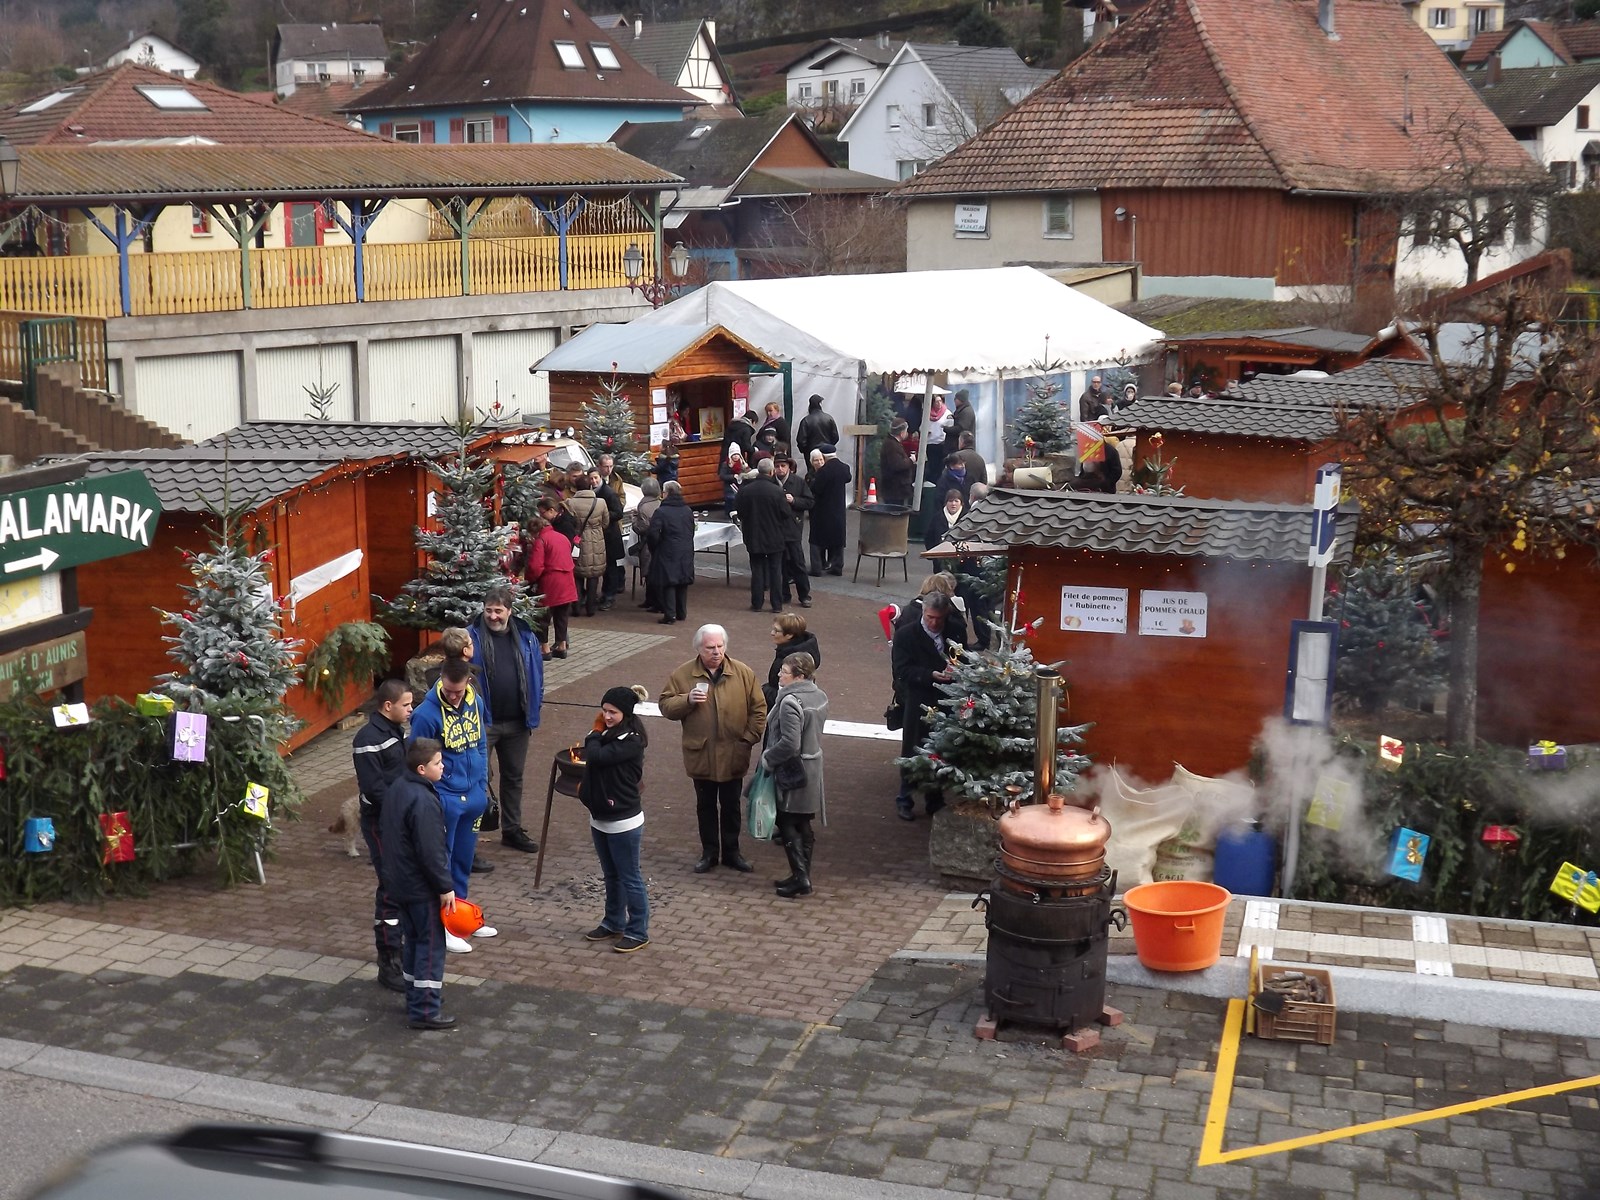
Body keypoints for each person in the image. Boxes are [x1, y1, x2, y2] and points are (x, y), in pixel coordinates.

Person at [658, 624, 767, 874]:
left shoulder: (743, 673)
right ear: (699, 648)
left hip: (733, 753)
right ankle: (709, 853)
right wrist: (686, 700)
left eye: (720, 646)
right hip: (702, 754)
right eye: (710, 648)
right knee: (705, 806)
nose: (716, 652)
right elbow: (665, 706)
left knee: (731, 807)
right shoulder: (683, 674)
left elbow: (759, 708)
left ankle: (732, 852)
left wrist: (748, 738)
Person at [408, 659, 494, 952]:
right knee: (441, 864)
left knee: (463, 861)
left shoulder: (476, 702)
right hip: (445, 797)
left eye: (459, 691)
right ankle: (442, 927)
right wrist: (435, 795)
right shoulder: (425, 714)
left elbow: (481, 743)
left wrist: (481, 784)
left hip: (473, 795)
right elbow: (417, 760)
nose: (454, 696)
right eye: (449, 690)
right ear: (441, 681)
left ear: (468, 682)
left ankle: (462, 918)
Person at [379, 737, 458, 1031]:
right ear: (423, 768)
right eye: (438, 763)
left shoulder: (398, 788)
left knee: (412, 940)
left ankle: (416, 996)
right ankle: (425, 1009)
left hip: (399, 882)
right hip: (420, 886)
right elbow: (430, 850)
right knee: (430, 944)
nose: (443, 766)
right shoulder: (423, 800)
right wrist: (444, 886)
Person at [469, 582, 544, 856]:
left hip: (517, 722)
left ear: (510, 612)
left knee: (514, 777)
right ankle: (470, 839)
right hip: (483, 722)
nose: (492, 616)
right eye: (488, 610)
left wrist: (535, 706)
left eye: (498, 611)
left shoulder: (526, 637)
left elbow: (537, 675)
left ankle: (512, 829)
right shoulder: (471, 637)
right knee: (477, 779)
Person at [578, 685, 651, 953]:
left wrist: (595, 732)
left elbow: (595, 755)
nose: (606, 716)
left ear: (626, 713)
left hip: (623, 821)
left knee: (630, 876)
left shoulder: (631, 741)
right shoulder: (610, 733)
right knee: (611, 875)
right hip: (600, 817)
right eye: (604, 711)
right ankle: (613, 921)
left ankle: (638, 930)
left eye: (613, 712)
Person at [351, 679, 413, 995]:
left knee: (399, 884)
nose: (411, 709)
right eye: (406, 704)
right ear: (388, 706)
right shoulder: (368, 739)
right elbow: (374, 789)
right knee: (390, 887)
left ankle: (400, 952)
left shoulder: (394, 732)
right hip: (381, 824)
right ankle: (388, 960)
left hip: (397, 821)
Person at [761, 652, 828, 899]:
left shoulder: (790, 702)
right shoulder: (819, 695)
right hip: (813, 767)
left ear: (799, 676)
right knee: (803, 822)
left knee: (788, 821)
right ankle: (802, 875)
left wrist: (768, 758)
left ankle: (801, 877)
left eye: (784, 672)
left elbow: (790, 743)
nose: (779, 675)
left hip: (794, 770)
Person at [890, 591, 956, 821]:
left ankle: (935, 799)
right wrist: (930, 674)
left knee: (940, 750)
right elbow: (902, 670)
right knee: (913, 749)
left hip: (947, 698)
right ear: (923, 613)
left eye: (939, 618)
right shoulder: (906, 635)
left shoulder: (953, 629)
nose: (935, 623)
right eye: (930, 617)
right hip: (918, 698)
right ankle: (905, 798)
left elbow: (962, 656)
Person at [525, 497, 576, 660]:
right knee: (562, 615)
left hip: (550, 583)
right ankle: (561, 646)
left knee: (543, 617)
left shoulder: (541, 540)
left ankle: (544, 648)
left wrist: (529, 580)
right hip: (567, 580)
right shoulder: (561, 537)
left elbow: (535, 567)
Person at [736, 459, 789, 614]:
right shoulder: (777, 491)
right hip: (774, 535)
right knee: (775, 570)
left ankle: (757, 603)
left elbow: (740, 512)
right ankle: (776, 604)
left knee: (757, 569)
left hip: (754, 535)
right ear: (772, 471)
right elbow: (785, 513)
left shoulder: (745, 490)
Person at [646, 480, 695, 625]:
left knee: (669, 582)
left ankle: (670, 614)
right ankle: (681, 612)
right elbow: (691, 529)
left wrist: (656, 547)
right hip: (685, 549)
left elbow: (653, 533)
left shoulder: (661, 511)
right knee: (682, 581)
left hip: (667, 550)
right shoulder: (687, 510)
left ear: (666, 493)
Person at [565, 471, 610, 617]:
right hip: (597, 541)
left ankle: (576, 607)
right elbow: (605, 522)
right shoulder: (600, 502)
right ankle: (591, 608)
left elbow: (568, 524)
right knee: (593, 576)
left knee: (577, 575)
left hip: (578, 541)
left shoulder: (570, 503)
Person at [774, 455, 813, 608]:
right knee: (780, 564)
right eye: (777, 466)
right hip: (776, 529)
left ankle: (804, 595)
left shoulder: (798, 482)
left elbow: (810, 502)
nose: (780, 469)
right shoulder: (771, 482)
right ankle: (784, 594)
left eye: (783, 466)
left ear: (789, 467)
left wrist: (795, 500)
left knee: (798, 563)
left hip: (793, 528)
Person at [808, 444, 851, 576]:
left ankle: (816, 567)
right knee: (838, 538)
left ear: (824, 457)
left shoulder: (823, 471)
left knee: (816, 539)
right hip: (838, 509)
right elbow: (848, 478)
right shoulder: (844, 468)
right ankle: (837, 566)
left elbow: (816, 489)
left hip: (822, 509)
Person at [764, 611, 821, 709]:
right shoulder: (797, 650)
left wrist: (763, 692)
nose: (772, 633)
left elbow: (786, 691)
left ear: (789, 635)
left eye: (776, 631)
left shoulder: (793, 659)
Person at [595, 455, 627, 611]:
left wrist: (603, 515)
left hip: (611, 532)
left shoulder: (613, 485)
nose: (608, 469)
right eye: (605, 466)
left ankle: (609, 595)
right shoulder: (594, 484)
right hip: (598, 534)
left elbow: (619, 507)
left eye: (610, 466)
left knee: (611, 566)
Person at [632, 476, 663, 612]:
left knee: (649, 571)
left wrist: (634, 520)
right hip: (659, 542)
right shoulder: (660, 503)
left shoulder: (643, 506)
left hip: (647, 543)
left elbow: (641, 527)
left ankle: (652, 601)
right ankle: (650, 600)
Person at [794, 394, 838, 467]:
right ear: (820, 404)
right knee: (827, 473)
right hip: (827, 452)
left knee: (813, 474)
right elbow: (835, 437)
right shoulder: (829, 418)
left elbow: (801, 440)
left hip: (811, 453)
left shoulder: (806, 420)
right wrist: (829, 446)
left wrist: (806, 451)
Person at [879, 420, 915, 507]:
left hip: (895, 488)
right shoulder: (892, 445)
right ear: (902, 433)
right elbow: (897, 465)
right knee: (895, 512)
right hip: (895, 489)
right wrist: (911, 460)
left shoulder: (892, 443)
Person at [719, 448, 749, 514]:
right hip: (729, 486)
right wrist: (732, 476)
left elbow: (747, 472)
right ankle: (729, 513)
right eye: (734, 454)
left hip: (740, 486)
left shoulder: (743, 464)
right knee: (730, 499)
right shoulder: (726, 464)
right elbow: (722, 476)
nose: (735, 456)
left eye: (737, 454)